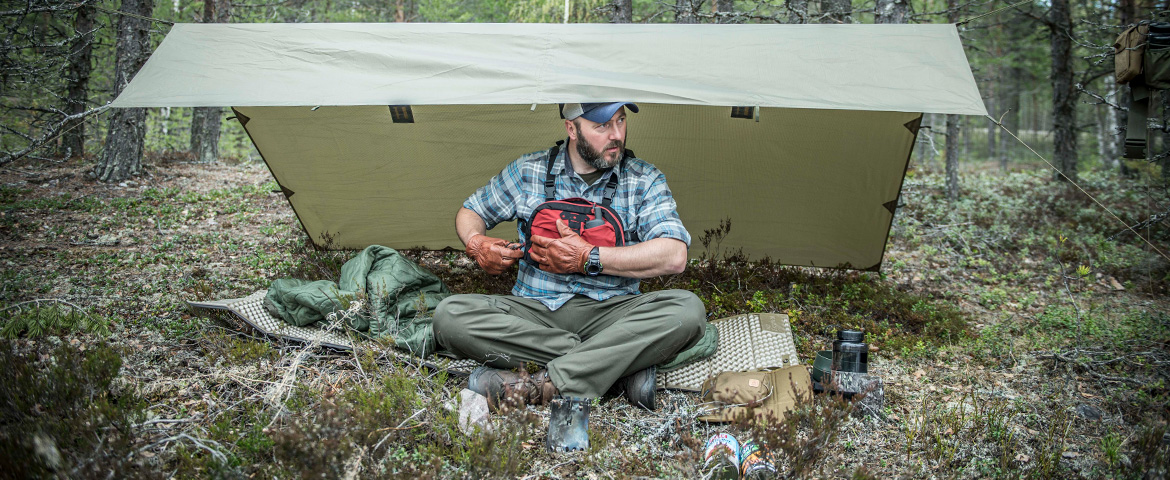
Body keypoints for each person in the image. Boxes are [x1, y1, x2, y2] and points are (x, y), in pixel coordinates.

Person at [432, 102, 706, 412]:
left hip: (612, 314)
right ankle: (615, 365)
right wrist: (476, 242)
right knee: (448, 317)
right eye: (602, 125)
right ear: (571, 128)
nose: (616, 135)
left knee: (688, 311)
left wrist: (589, 257)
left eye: (621, 120)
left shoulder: (644, 179)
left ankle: (539, 386)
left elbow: (674, 254)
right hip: (535, 313)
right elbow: (472, 211)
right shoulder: (529, 170)